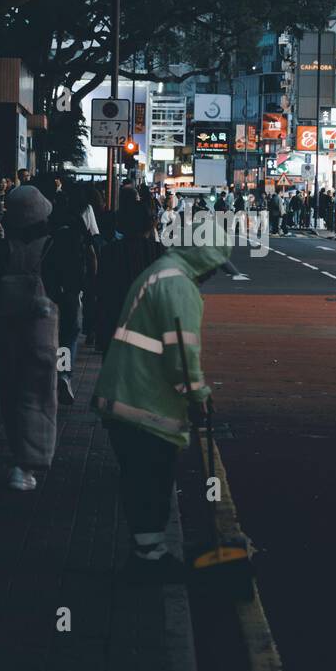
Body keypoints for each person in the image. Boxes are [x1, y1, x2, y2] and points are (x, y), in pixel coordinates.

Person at [93, 219, 237, 581]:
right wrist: (199, 395)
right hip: (142, 404)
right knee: (150, 481)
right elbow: (182, 357)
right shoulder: (178, 286)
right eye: (214, 266)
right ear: (202, 257)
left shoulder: (162, 272)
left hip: (128, 396)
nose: (212, 276)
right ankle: (149, 558)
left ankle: (148, 551)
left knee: (143, 481)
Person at [0, 184, 60, 491]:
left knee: (11, 393)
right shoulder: (51, 246)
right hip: (41, 332)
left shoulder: (5, 247)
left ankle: (20, 458)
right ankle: (28, 464)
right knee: (39, 395)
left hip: (7, 330)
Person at [95, 189, 161, 353]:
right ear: (150, 223)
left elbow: (101, 290)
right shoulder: (159, 251)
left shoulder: (109, 251)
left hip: (115, 322)